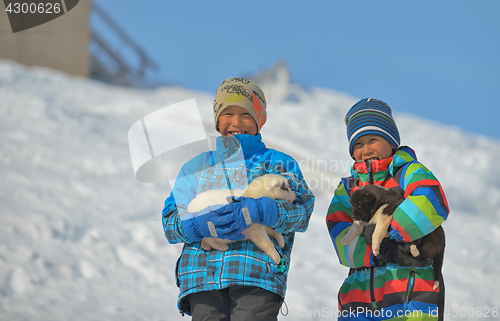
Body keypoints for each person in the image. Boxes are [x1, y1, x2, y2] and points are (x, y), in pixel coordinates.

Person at [162, 77, 315, 320]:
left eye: (245, 114)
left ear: (259, 119)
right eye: (227, 114)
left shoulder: (278, 163)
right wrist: (194, 224)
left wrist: (267, 210)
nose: (236, 122)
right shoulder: (197, 166)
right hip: (202, 278)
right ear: (217, 120)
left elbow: (302, 211)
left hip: (256, 274)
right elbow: (170, 224)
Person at [326, 98, 449, 320]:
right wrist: (375, 251)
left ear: (391, 141)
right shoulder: (349, 187)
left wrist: (392, 233)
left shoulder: (409, 172)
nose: (366, 149)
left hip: (409, 290)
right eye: (358, 144)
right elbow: (339, 230)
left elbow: (431, 201)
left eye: (373, 139)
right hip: (358, 295)